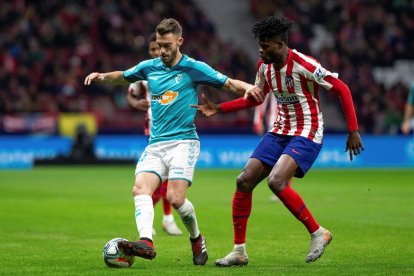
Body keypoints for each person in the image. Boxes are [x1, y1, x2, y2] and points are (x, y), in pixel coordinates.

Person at [84, 18, 262, 265]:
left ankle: (196, 238)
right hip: (156, 144)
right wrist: (101, 76)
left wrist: (250, 88)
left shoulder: (193, 68)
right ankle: (146, 240)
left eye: (167, 45)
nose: (163, 51)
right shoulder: (150, 66)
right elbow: (123, 76)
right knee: (140, 189)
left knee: (175, 199)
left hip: (183, 142)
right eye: (159, 45)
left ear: (179, 41)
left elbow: (228, 82)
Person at [191, 16, 364, 266]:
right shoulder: (264, 66)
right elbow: (256, 98)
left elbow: (342, 89)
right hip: (280, 130)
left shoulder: (305, 64)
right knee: (244, 181)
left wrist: (353, 130)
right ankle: (239, 251)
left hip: (307, 129)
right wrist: (219, 108)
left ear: (281, 45)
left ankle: (318, 233)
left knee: (276, 181)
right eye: (260, 45)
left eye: (266, 45)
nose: (260, 50)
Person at [126, 33, 182, 236]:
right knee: (162, 176)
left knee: (168, 177)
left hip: (176, 128)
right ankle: (164, 218)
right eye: (152, 49)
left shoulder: (178, 68)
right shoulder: (145, 71)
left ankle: (163, 218)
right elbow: (130, 97)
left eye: (158, 48)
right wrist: (135, 103)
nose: (156, 52)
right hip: (154, 128)